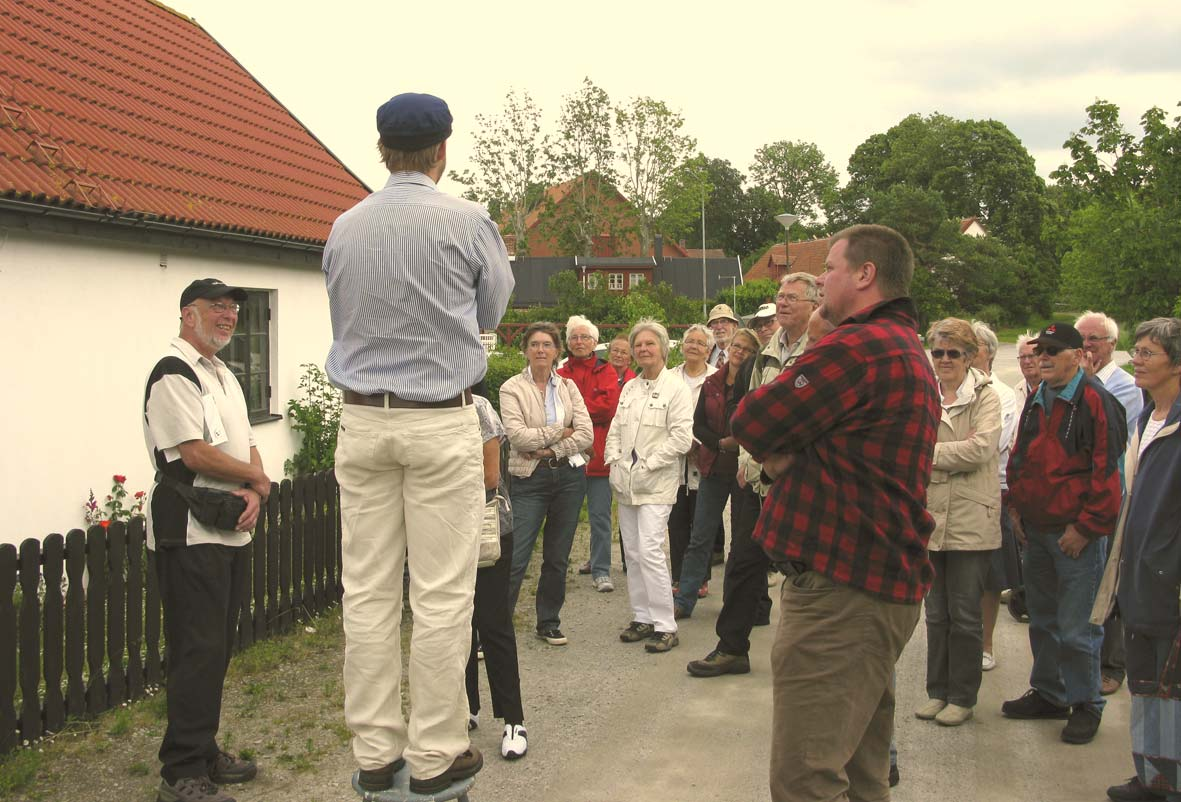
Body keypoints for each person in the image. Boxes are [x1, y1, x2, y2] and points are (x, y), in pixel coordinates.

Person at [323, 92, 513, 795]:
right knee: (440, 593)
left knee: (366, 592)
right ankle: (436, 752)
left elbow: (344, 314)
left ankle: (375, 751)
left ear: (382, 149)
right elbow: (490, 308)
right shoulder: (467, 221)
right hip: (437, 418)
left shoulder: (344, 225)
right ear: (441, 150)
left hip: (361, 420)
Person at [731, 225, 940, 802]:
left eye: (830, 267)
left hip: (841, 592)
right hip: (872, 586)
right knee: (861, 775)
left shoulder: (859, 348)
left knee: (808, 777)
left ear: (865, 275)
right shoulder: (901, 345)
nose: (820, 279)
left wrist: (821, 342)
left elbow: (750, 421)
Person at [143, 277, 270, 802]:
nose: (228, 316)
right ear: (186, 314)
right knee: (197, 649)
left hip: (227, 527)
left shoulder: (224, 374)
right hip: (190, 532)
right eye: (216, 307)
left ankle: (202, 749)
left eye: (233, 309)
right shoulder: (173, 373)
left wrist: (257, 490)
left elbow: (249, 442)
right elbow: (193, 453)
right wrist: (255, 481)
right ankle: (180, 770)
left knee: (215, 649)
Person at [686, 272, 820, 679]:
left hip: (802, 483)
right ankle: (731, 648)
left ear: (814, 304)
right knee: (743, 563)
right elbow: (745, 413)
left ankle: (812, 658)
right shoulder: (764, 353)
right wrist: (747, 463)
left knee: (806, 569)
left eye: (792, 297)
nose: (782, 303)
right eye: (780, 296)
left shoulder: (822, 350)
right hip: (756, 480)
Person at [1003, 322, 1126, 746]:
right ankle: (1050, 693)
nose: (1044, 358)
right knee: (1043, 621)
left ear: (1078, 355)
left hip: (1076, 538)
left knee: (1078, 629)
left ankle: (1085, 704)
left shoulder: (1097, 402)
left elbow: (1109, 475)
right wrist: (1016, 508)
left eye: (1054, 351)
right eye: (1040, 351)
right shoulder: (1039, 396)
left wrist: (1086, 528)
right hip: (1035, 531)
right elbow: (1019, 457)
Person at [1092, 318, 1181, 802]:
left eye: (1148, 353)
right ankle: (1151, 776)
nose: (1136, 361)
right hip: (1138, 575)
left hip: (1169, 581)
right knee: (1145, 687)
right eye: (1137, 351)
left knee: (1174, 691)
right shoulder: (1147, 418)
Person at [915, 319, 1001, 728]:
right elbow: (907, 440)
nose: (944, 360)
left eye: (953, 353)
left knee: (966, 613)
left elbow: (981, 449)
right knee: (936, 613)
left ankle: (962, 696)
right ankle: (938, 691)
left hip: (971, 519)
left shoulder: (986, 396)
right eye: (938, 352)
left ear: (970, 356)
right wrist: (948, 453)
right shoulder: (922, 393)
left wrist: (927, 454)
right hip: (931, 516)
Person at [501, 322, 594, 645]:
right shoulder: (511, 388)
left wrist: (549, 448)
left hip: (568, 476)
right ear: (525, 350)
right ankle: (494, 631)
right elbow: (517, 436)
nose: (541, 350)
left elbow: (586, 434)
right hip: (529, 479)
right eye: (535, 344)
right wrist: (560, 430)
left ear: (557, 352)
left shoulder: (568, 387)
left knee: (557, 556)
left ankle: (549, 622)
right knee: (516, 557)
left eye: (547, 345)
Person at [605, 318, 694, 654]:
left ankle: (665, 625)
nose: (643, 349)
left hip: (656, 483)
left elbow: (681, 438)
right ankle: (641, 617)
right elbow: (616, 427)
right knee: (632, 552)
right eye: (638, 345)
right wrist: (613, 458)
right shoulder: (630, 387)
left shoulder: (676, 388)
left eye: (649, 344)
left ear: (663, 348)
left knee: (651, 551)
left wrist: (648, 463)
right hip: (626, 484)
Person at [1076, 310, 1142, 697]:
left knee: (1109, 580)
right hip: (1080, 498)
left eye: (1095, 339)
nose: (1087, 346)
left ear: (1113, 345)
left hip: (1113, 495)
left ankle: (1112, 665)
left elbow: (1107, 440)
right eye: (1082, 338)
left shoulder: (1125, 386)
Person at [673, 328, 760, 619]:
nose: (739, 352)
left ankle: (735, 604)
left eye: (746, 349)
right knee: (700, 536)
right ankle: (684, 600)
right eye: (736, 345)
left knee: (741, 540)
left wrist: (736, 445)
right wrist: (720, 443)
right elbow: (697, 425)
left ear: (754, 354)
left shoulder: (756, 384)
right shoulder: (712, 382)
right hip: (712, 467)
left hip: (744, 470)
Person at [465, 391, 527, 761]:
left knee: (492, 623)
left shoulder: (478, 408)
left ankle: (514, 720)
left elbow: (490, 476)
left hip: (486, 530)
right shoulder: (419, 406)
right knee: (456, 624)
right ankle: (467, 707)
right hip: (440, 532)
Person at [558, 316, 623, 592]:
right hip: (567, 455)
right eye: (574, 337)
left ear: (595, 343)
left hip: (597, 456)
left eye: (585, 337)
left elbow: (608, 407)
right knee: (563, 518)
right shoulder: (560, 373)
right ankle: (557, 570)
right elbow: (556, 411)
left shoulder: (606, 371)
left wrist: (575, 413)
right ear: (568, 342)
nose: (579, 342)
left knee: (599, 516)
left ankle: (601, 570)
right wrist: (582, 411)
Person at [970, 320, 1019, 673]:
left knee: (989, 578)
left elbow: (989, 446)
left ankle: (985, 644)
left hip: (992, 492)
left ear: (988, 352)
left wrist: (943, 451)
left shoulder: (1002, 394)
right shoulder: (945, 391)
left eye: (972, 347)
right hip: (949, 492)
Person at [666, 324, 717, 595]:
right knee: (676, 522)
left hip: (704, 458)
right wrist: (681, 443)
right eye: (690, 341)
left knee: (702, 522)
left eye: (700, 343)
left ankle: (701, 578)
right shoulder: (671, 377)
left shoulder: (716, 378)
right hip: (674, 460)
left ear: (708, 350)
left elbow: (718, 418)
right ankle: (677, 577)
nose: (694, 346)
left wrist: (698, 445)